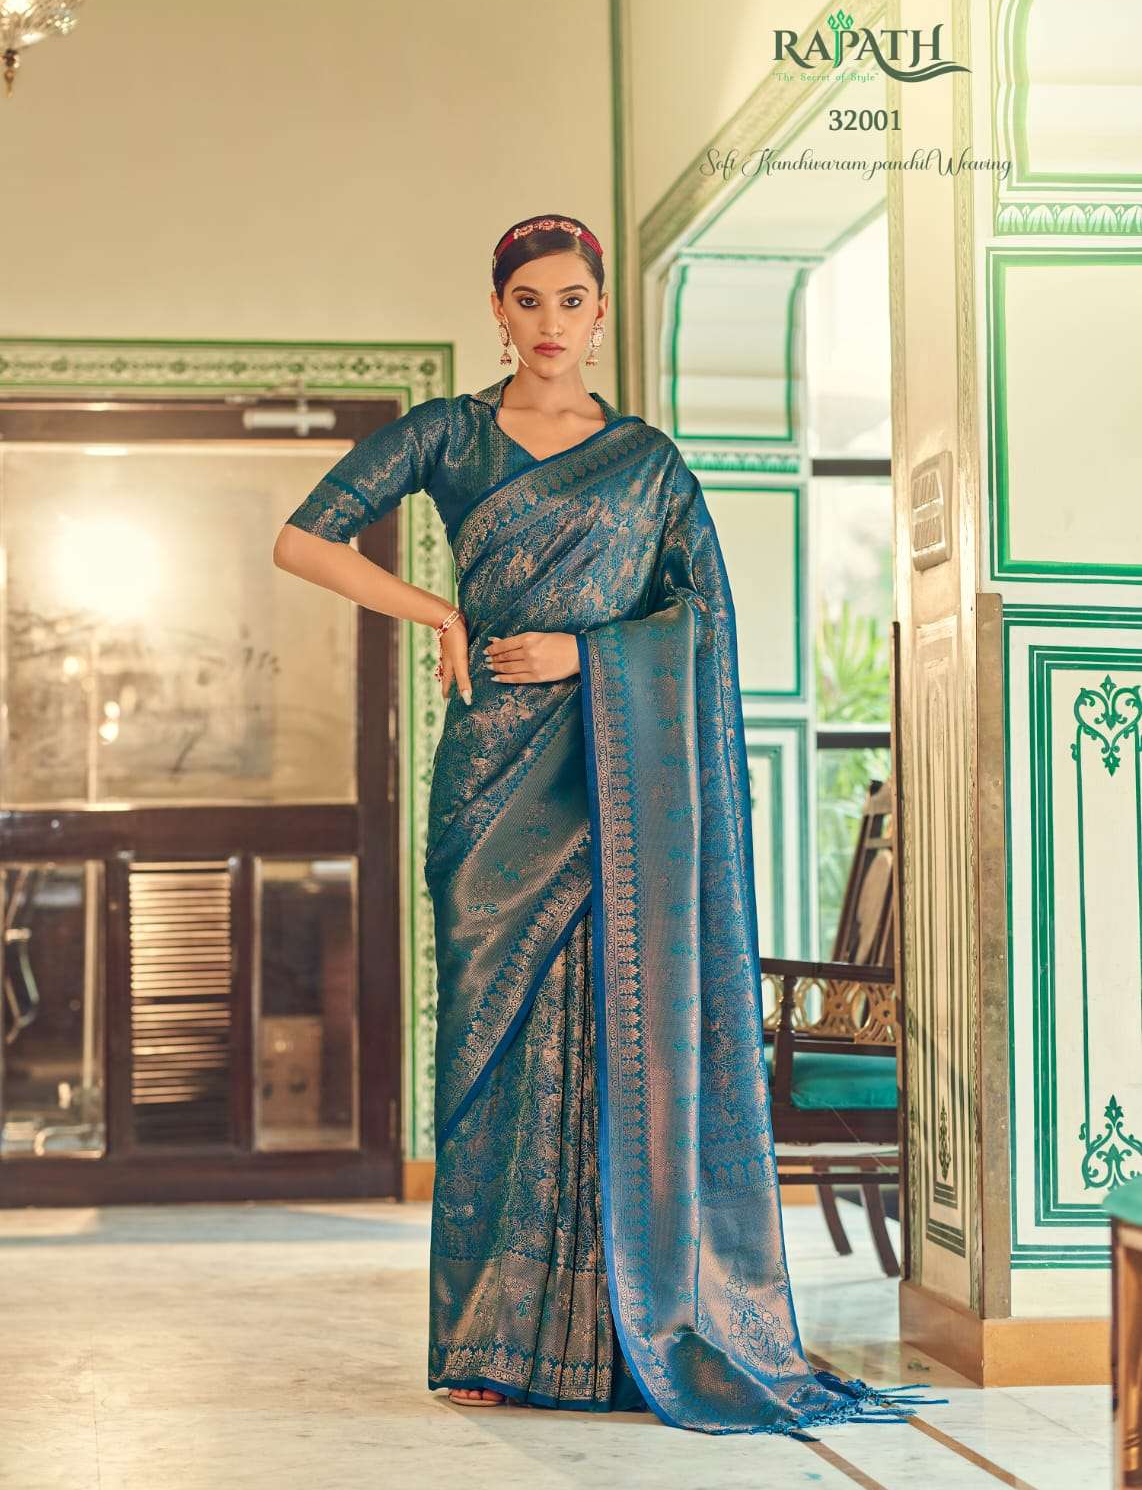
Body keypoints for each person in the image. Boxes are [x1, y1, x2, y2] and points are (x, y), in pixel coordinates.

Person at [272, 214, 931, 1436]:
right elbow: (300, 537)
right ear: (497, 310)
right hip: (490, 782)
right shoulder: (450, 434)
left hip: (615, 785)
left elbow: (701, 621)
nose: (548, 323)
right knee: (495, 1047)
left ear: (597, 312)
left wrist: (586, 654)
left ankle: (628, 1328)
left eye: (569, 300)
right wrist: (439, 614)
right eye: (526, 300)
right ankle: (491, 1336)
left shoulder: (646, 463)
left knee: (618, 1033)